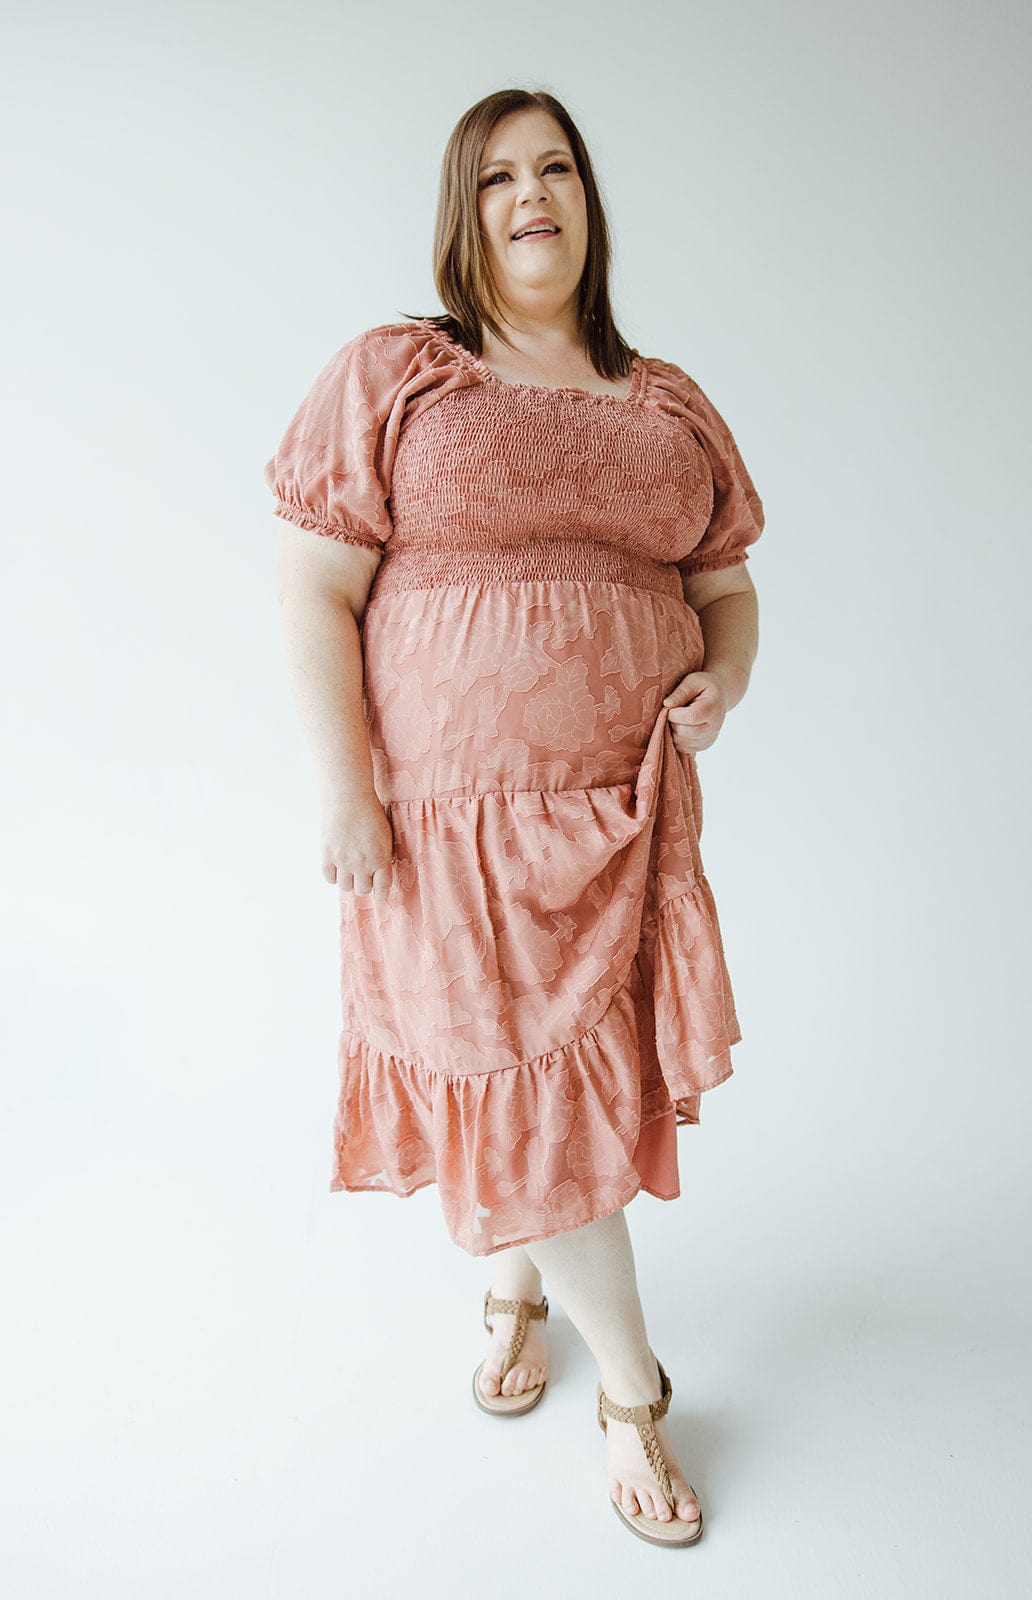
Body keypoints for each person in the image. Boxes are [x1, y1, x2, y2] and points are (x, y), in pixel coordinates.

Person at [263, 87, 765, 1549]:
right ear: (464, 214)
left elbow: (726, 585)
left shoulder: (667, 400)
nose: (531, 194)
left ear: (589, 200)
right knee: (525, 1085)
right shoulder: (399, 372)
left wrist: (722, 683)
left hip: (625, 824)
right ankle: (634, 1395)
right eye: (497, 178)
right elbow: (312, 589)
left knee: (562, 1088)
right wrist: (345, 786)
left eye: (555, 168)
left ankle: (514, 1289)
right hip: (448, 826)